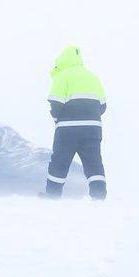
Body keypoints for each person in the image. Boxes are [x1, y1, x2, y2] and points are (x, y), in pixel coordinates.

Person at [44, 46, 107, 199]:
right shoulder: (93, 77)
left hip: (68, 129)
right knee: (93, 161)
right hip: (93, 128)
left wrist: (58, 121)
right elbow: (103, 106)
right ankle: (99, 196)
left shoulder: (62, 76)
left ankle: (52, 196)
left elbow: (55, 103)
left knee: (60, 161)